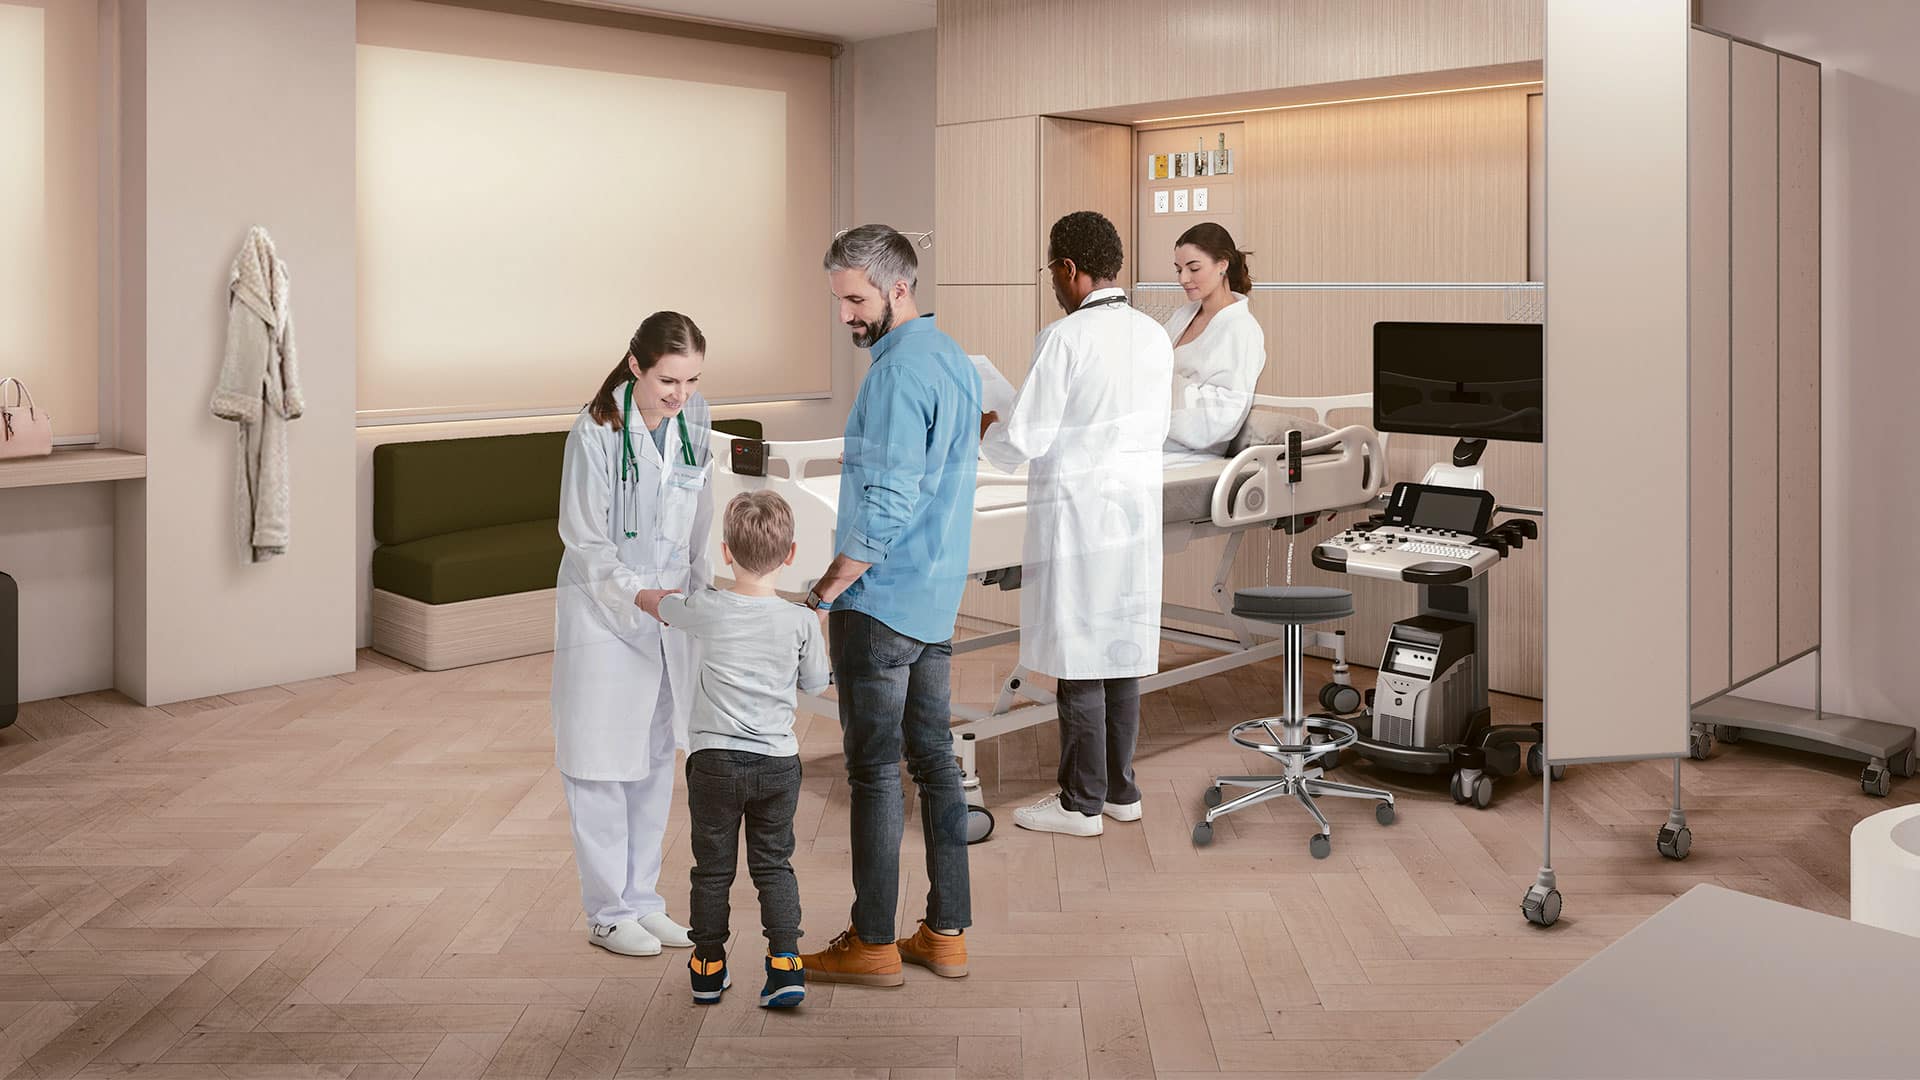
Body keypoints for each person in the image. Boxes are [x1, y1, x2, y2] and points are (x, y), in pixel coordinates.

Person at [798, 224, 980, 987]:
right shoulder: (955, 361)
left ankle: (871, 943)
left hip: (878, 607)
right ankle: (945, 934)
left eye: (854, 298)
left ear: (897, 287)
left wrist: (826, 588)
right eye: (839, 299)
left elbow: (892, 497)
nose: (845, 314)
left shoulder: (898, 375)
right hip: (935, 600)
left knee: (873, 773)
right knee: (935, 764)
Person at [980, 210, 1173, 837]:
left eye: (1052, 272)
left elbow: (1025, 440)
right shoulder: (1151, 334)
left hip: (1081, 515)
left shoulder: (1064, 337)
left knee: (1081, 655)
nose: (1054, 286)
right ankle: (1120, 789)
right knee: (1119, 648)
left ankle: (1078, 803)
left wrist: (988, 426)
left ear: (1068, 268)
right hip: (1134, 512)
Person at [550, 311, 712, 958]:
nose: (681, 395)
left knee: (650, 759)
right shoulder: (594, 433)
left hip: (669, 615)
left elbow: (700, 516)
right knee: (597, 763)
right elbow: (584, 541)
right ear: (637, 365)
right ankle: (608, 911)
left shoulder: (695, 423)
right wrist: (639, 595)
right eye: (669, 380)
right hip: (606, 612)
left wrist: (701, 591)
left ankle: (644, 900)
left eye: (693, 380)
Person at [638, 491, 830, 1009]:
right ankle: (786, 963)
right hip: (776, 765)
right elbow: (816, 683)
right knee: (774, 865)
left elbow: (667, 608)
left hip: (715, 764)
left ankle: (707, 966)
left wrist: (641, 595)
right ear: (790, 555)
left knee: (713, 868)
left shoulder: (708, 607)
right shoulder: (800, 622)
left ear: (725, 552)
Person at [1161, 222, 1266, 456]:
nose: (1183, 279)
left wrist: (1163, 384)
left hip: (1192, 450)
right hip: (1158, 432)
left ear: (1222, 265)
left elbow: (1224, 415)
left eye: (1194, 268)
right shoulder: (1184, 316)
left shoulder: (1242, 330)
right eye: (1179, 270)